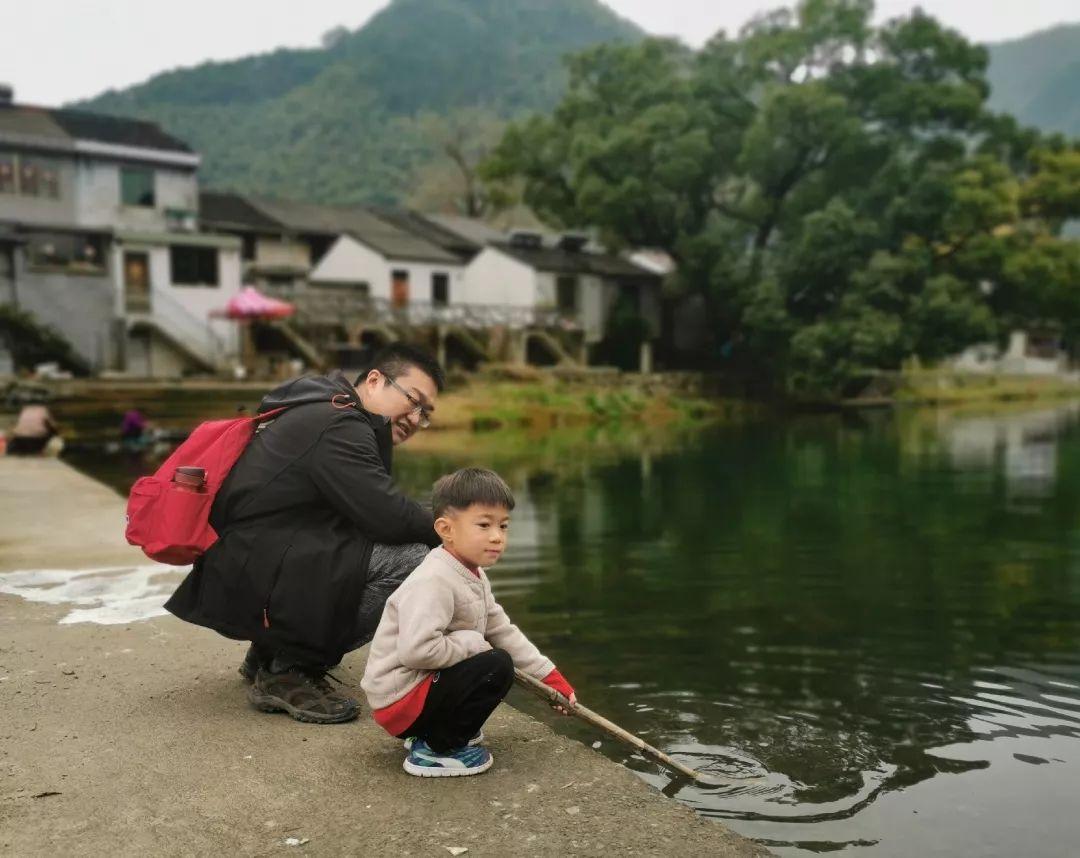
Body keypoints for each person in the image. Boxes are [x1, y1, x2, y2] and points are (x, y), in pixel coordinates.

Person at [165, 343, 446, 724]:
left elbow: (366, 514)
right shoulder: (340, 425)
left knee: (376, 548)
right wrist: (454, 530)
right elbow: (388, 516)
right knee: (419, 561)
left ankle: (270, 653)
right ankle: (290, 668)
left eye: (424, 413)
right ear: (376, 381)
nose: (415, 418)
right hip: (252, 569)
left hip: (248, 563)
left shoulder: (331, 410)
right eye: (413, 401)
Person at [360, 468, 576, 777]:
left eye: (503, 526)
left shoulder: (470, 573)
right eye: (484, 525)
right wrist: (471, 644)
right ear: (446, 529)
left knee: (496, 657)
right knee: (495, 666)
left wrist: (551, 679)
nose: (497, 537)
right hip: (399, 701)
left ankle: (439, 730)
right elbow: (416, 651)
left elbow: (502, 630)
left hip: (416, 693)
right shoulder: (434, 579)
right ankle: (437, 749)